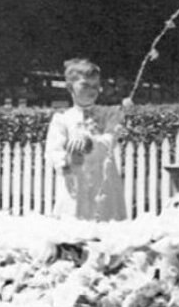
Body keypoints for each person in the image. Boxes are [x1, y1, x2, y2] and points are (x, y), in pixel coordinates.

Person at [45, 58, 127, 221]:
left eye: (96, 86)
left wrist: (90, 143)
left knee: (105, 226)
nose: (92, 90)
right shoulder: (62, 119)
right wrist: (67, 161)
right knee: (74, 227)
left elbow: (110, 139)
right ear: (70, 88)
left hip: (104, 182)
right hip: (75, 184)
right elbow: (53, 151)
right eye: (85, 85)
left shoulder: (109, 114)